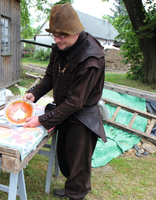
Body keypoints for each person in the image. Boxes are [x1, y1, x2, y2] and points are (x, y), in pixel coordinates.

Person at [22, 3, 107, 200]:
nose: (57, 40)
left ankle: (76, 194)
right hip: (63, 111)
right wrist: (34, 93)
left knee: (79, 163)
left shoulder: (91, 58)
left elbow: (76, 102)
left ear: (75, 31)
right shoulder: (60, 48)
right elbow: (50, 78)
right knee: (66, 157)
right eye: (55, 35)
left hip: (83, 116)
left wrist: (42, 120)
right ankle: (72, 189)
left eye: (62, 36)